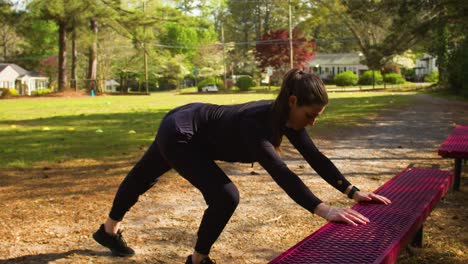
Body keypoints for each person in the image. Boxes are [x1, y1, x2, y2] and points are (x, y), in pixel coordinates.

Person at [93, 68, 391, 264]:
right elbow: (282, 173)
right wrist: (324, 210)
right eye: (310, 114)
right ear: (293, 101)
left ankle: (108, 231)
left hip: (189, 125)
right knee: (225, 196)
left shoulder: (285, 118)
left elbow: (316, 159)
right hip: (182, 132)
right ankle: (198, 260)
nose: (312, 122)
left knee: (144, 176)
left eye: (317, 117)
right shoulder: (256, 124)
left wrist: (352, 191)